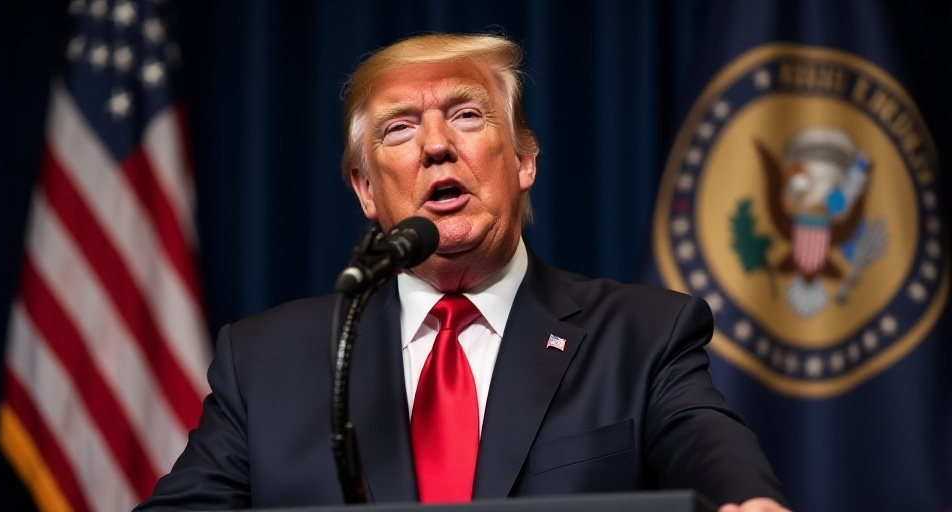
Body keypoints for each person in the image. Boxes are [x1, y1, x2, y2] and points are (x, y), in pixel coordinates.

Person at [136, 33, 790, 512]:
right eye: (398, 129)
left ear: (525, 161)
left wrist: (748, 498)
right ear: (366, 190)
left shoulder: (643, 335)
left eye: (467, 114)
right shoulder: (266, 361)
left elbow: (704, 441)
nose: (436, 143)